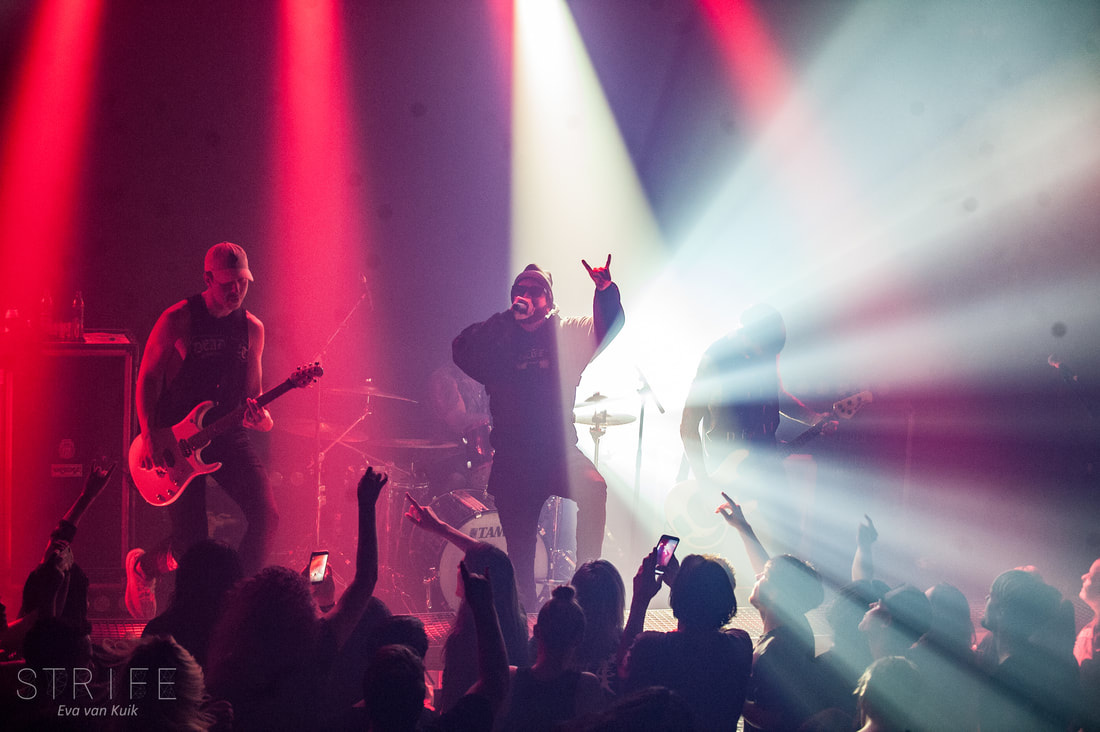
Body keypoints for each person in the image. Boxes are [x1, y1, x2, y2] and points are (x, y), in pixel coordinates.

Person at [452, 257, 624, 610]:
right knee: (520, 558)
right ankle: (527, 616)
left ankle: (586, 590)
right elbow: (461, 348)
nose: (525, 295)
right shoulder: (500, 340)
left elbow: (608, 326)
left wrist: (605, 291)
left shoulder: (566, 333)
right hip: (514, 458)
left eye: (534, 291)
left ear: (549, 301)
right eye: (520, 290)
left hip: (559, 451)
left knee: (594, 488)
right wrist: (506, 318)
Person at [126, 242, 278, 620]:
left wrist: (261, 418)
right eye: (227, 283)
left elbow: (253, 395)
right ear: (208, 279)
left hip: (226, 433)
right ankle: (144, 568)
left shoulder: (252, 328)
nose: (236, 290)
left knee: (267, 516)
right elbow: (147, 378)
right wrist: (150, 433)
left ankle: (237, 601)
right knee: (190, 543)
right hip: (177, 439)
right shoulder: (178, 318)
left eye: (242, 282)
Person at [680, 304, 826, 553]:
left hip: (767, 459)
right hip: (728, 465)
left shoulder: (766, 354)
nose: (769, 358)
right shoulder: (716, 360)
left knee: (787, 537)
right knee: (736, 544)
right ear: (747, 337)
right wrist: (704, 482)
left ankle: (780, 574)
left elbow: (779, 396)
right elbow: (688, 427)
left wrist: (814, 419)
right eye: (764, 351)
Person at [619, 551, 753, 732]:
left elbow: (622, 673)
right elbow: (703, 632)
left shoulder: (651, 647)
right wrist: (685, 587)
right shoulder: (740, 645)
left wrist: (640, 600)